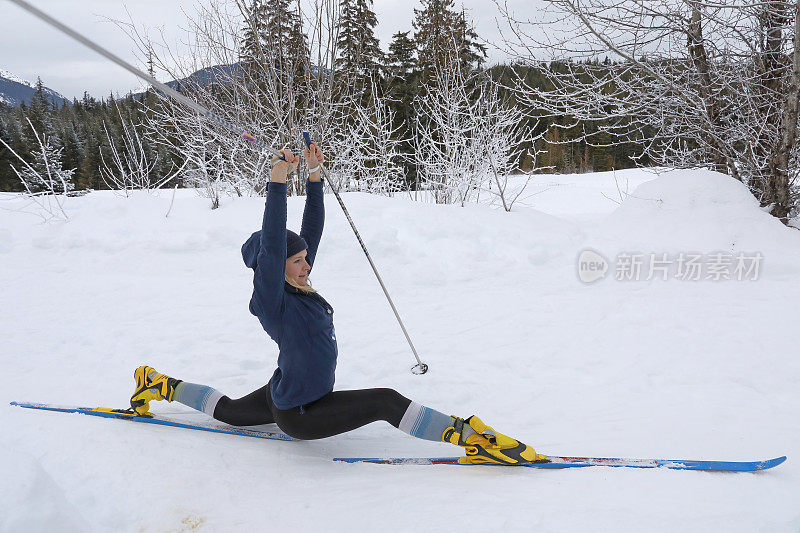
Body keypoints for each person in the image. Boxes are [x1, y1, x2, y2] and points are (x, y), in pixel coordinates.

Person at [130, 141, 544, 465]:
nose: (306, 264)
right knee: (384, 400)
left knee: (230, 412)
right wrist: (276, 181)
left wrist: (313, 176)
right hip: (300, 412)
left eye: (305, 258)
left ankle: (158, 384)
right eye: (297, 261)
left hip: (282, 389)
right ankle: (472, 439)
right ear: (275, 268)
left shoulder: (298, 283)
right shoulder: (272, 298)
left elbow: (308, 231)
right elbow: (274, 245)